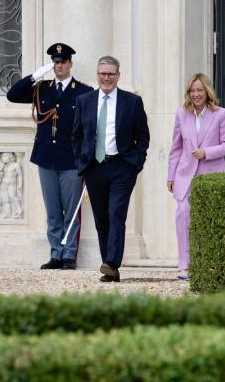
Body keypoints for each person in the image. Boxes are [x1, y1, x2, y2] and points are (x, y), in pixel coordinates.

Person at [7, 43, 93, 269]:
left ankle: (69, 256)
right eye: (55, 62)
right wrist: (35, 76)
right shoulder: (41, 88)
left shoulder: (83, 91)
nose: (59, 66)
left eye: (63, 62)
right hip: (46, 157)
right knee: (53, 210)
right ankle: (56, 253)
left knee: (71, 210)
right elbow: (12, 95)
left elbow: (91, 126)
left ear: (70, 64)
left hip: (72, 159)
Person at [72, 56, 150, 282]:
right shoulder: (84, 100)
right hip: (94, 167)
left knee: (116, 213)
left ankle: (111, 262)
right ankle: (110, 268)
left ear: (118, 76)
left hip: (121, 167)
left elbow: (143, 137)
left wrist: (135, 163)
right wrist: (81, 163)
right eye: (103, 73)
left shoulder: (132, 102)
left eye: (111, 74)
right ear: (97, 75)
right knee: (101, 218)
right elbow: (76, 136)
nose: (106, 77)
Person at [167, 73, 225, 280]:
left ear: (207, 92)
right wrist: (171, 176)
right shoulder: (181, 114)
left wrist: (207, 152)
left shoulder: (220, 114)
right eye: (192, 90)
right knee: (183, 214)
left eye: (200, 90)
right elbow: (176, 148)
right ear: (188, 93)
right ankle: (184, 265)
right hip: (184, 174)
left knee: (211, 219)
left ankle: (211, 263)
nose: (196, 94)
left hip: (211, 174)